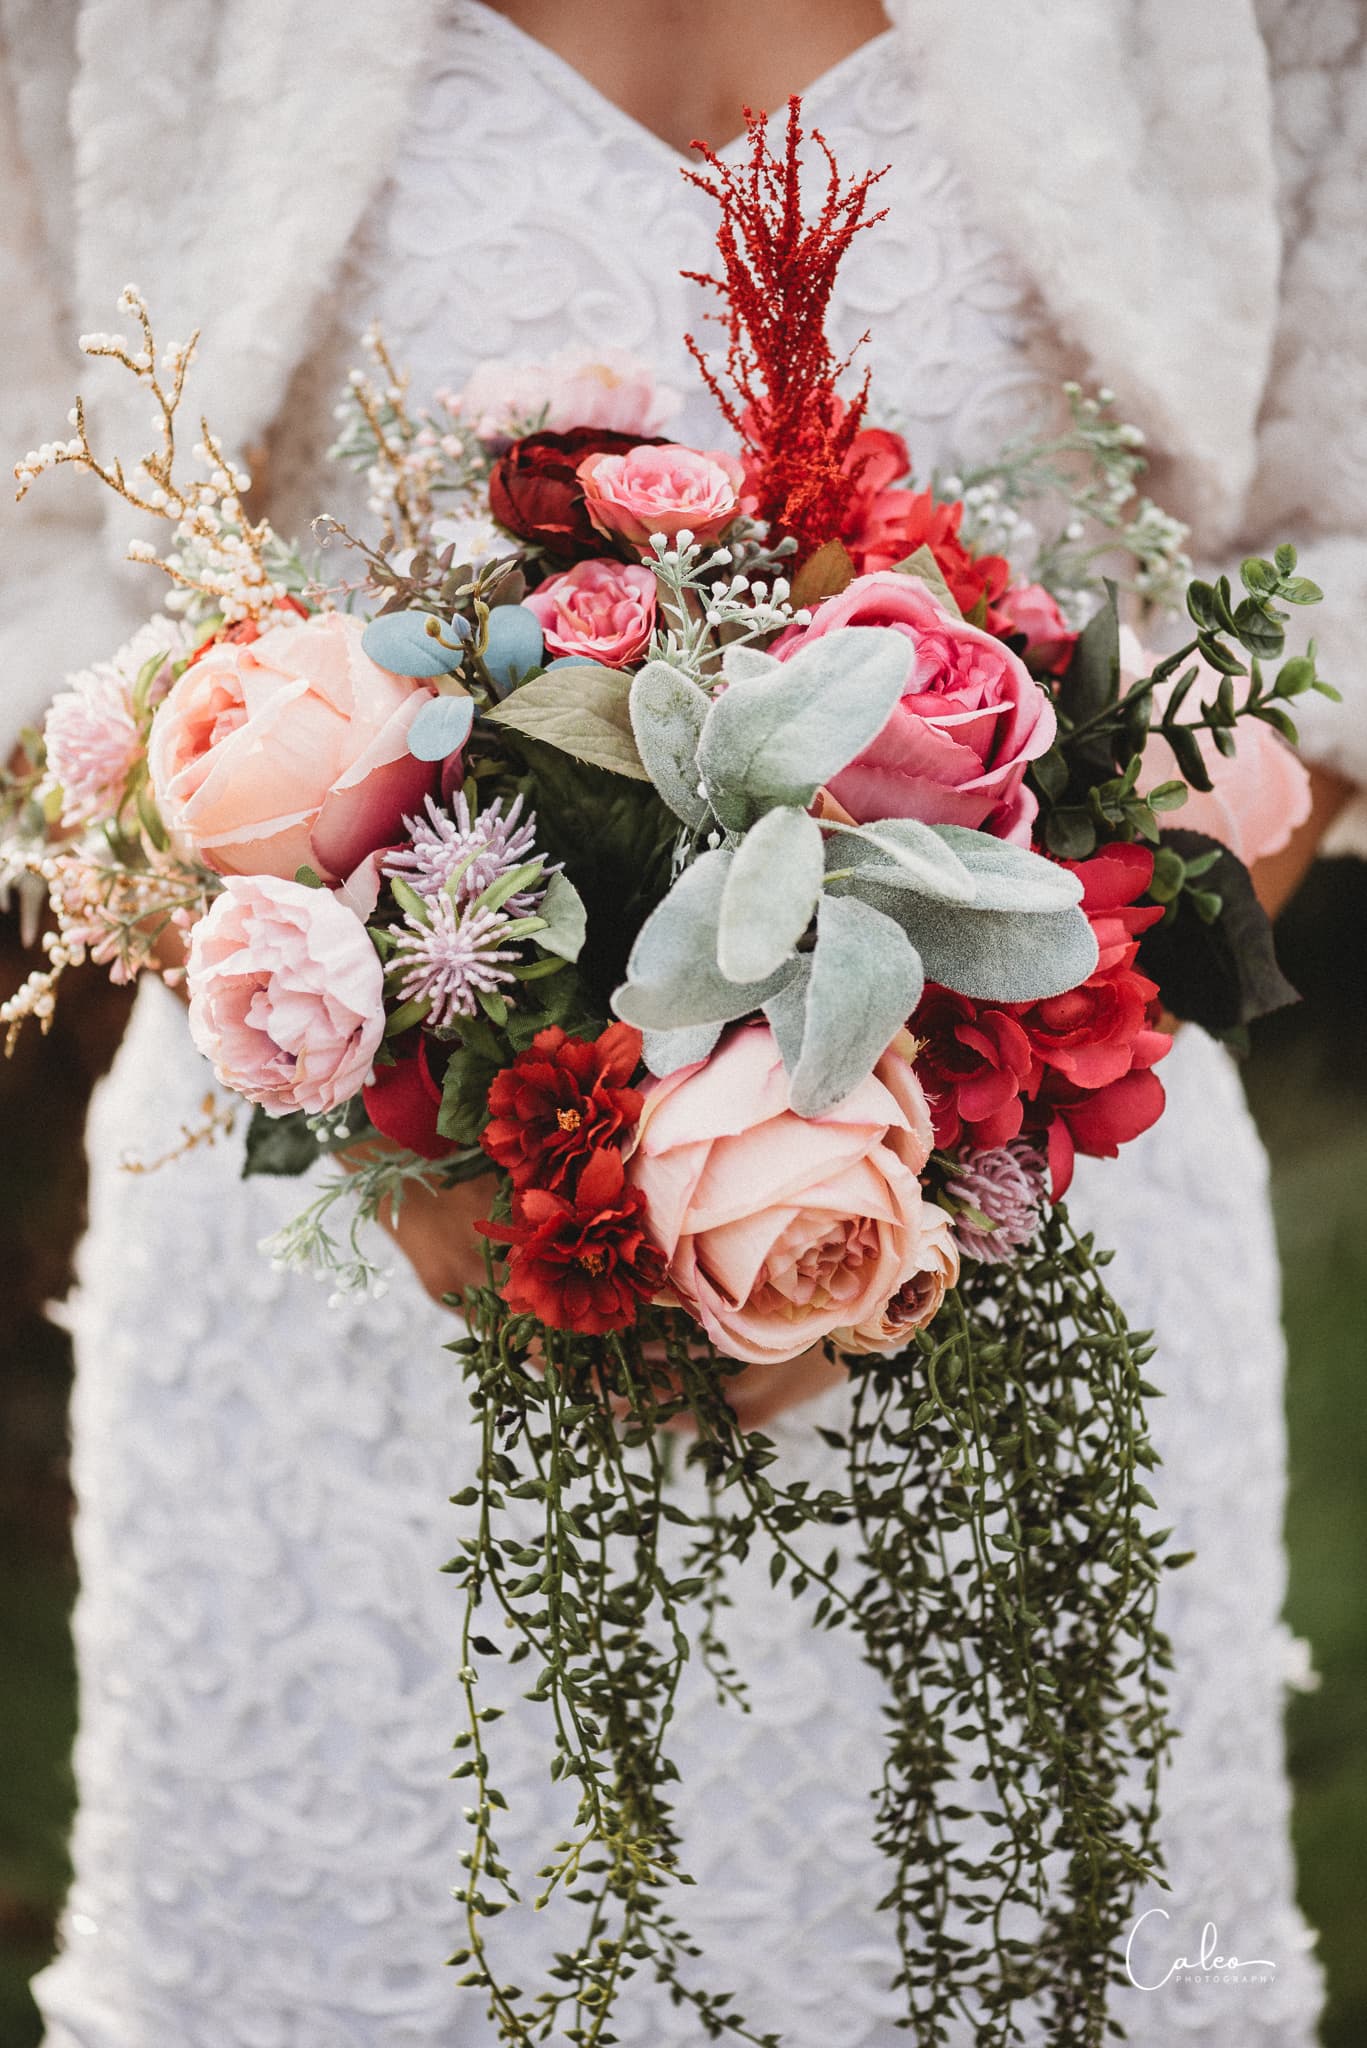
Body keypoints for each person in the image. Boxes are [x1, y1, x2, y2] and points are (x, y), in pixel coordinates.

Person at [2, 2, 1365, 2041]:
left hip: (1020, 1245)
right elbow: (35, 557)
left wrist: (951, 1119)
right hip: (344, 1285)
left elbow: (1339, 558)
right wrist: (421, 1130)